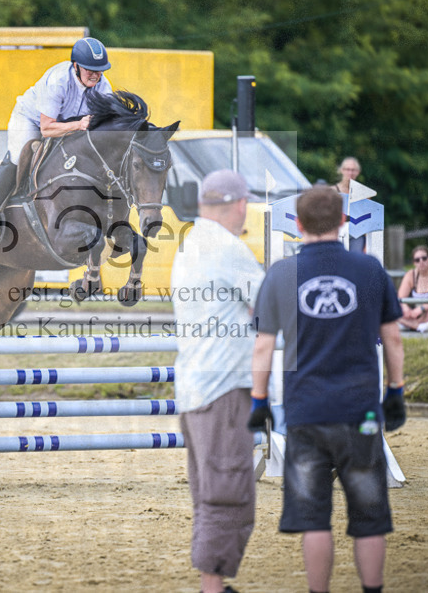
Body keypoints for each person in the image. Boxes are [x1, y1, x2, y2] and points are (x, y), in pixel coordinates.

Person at [247, 185, 406, 593]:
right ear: (343, 222)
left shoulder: (281, 274)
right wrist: (396, 392)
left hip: (305, 414)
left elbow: (263, 346)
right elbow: (393, 340)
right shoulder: (370, 270)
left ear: (297, 225)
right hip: (360, 412)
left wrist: (259, 401)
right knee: (370, 517)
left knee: (314, 518)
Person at [171, 170, 263, 593]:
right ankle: (213, 587)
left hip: (193, 387)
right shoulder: (230, 249)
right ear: (241, 205)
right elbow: (269, 308)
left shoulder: (189, 244)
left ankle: (215, 583)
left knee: (210, 491)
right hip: (224, 388)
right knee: (228, 491)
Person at [0, 37, 115, 237]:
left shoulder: (103, 87)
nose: (95, 75)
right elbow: (47, 129)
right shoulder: (58, 81)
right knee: (19, 154)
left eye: (99, 70)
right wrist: (79, 125)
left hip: (69, 124)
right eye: (90, 70)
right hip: (32, 120)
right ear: (76, 66)